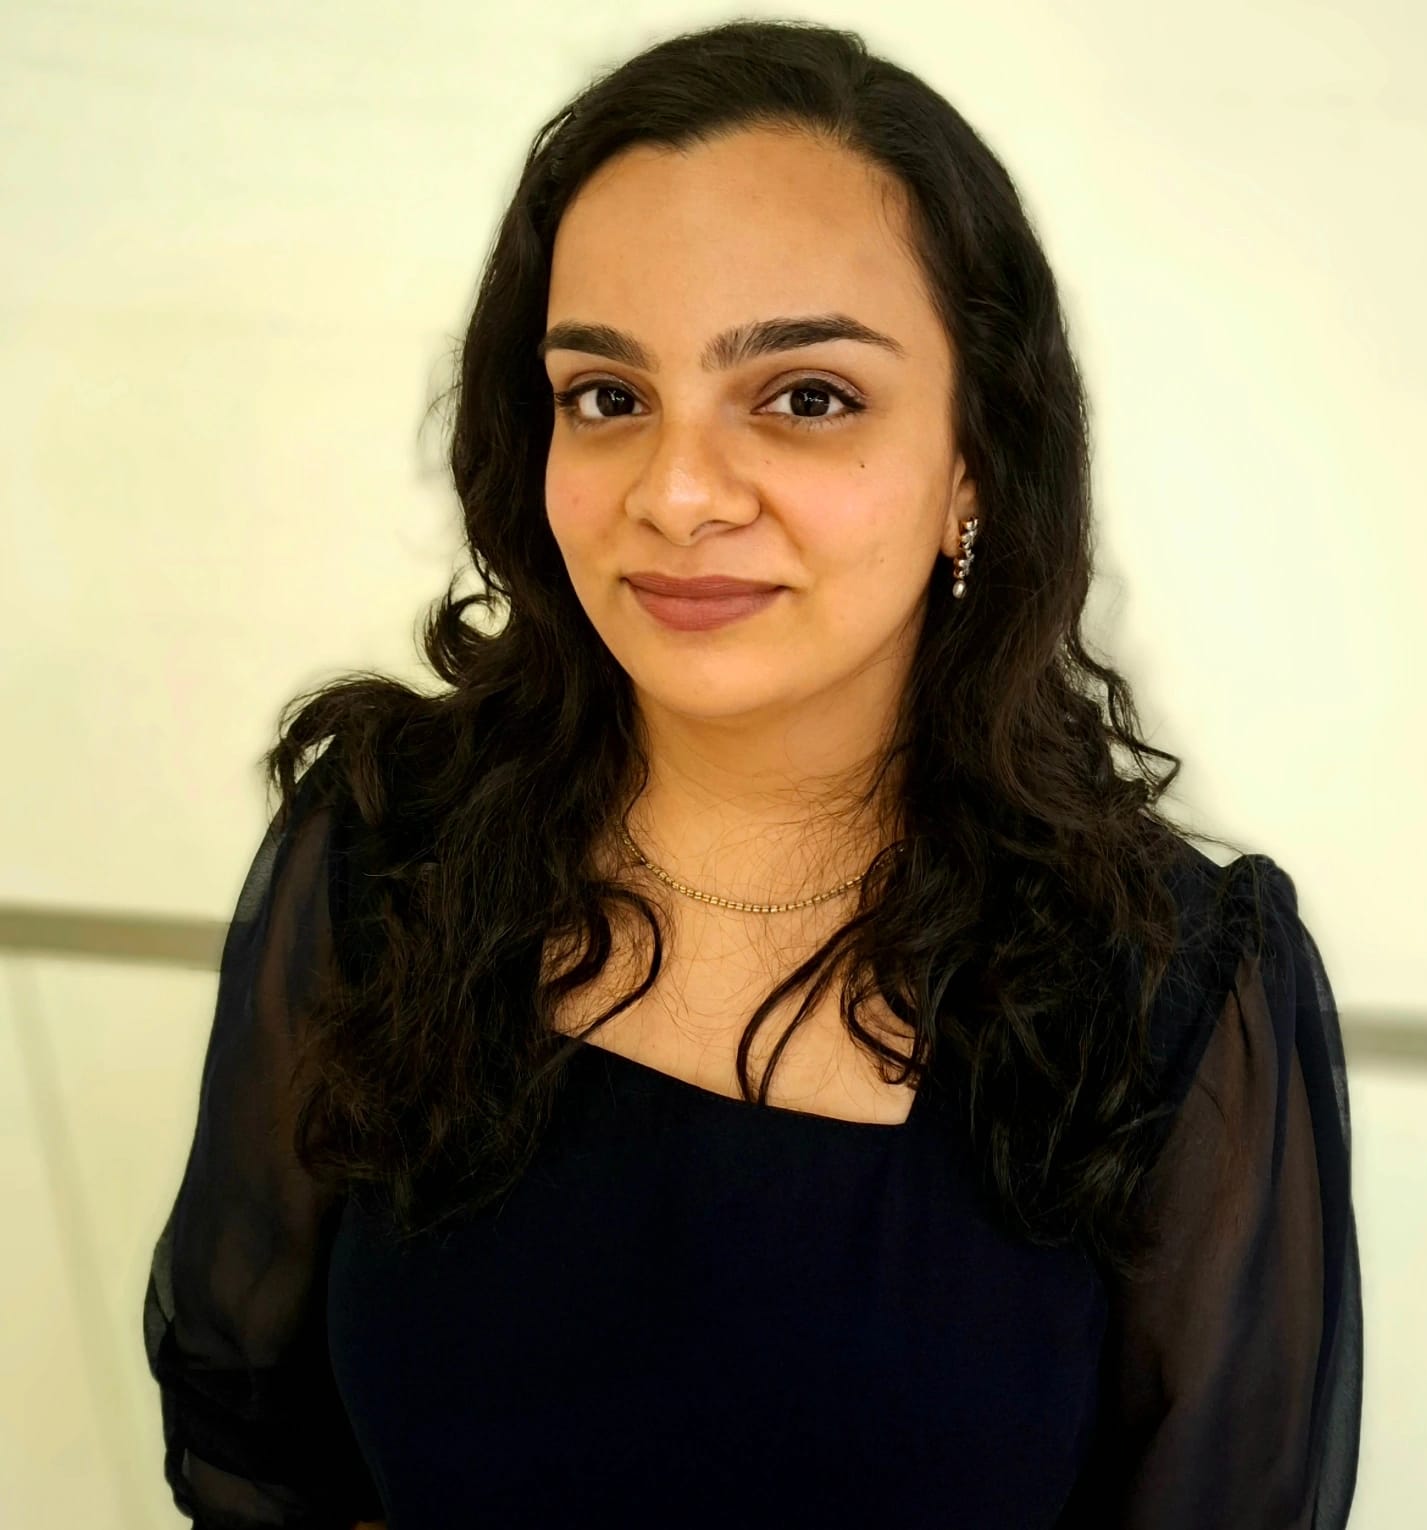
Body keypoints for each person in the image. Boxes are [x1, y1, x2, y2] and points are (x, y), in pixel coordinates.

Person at [142, 18, 1362, 1529]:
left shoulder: (1173, 998)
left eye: (805, 396)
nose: (676, 494)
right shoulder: (384, 854)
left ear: (975, 461)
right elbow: (257, 1447)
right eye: (606, 395)